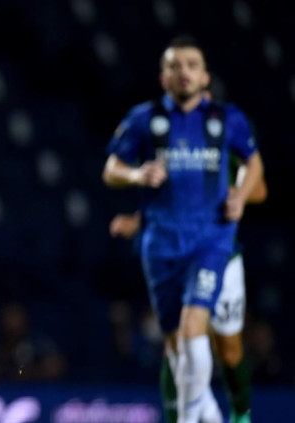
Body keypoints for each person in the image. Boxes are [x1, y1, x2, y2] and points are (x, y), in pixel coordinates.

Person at [102, 36, 263, 423]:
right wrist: (137, 176)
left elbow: (256, 170)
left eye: (192, 65)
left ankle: (236, 415)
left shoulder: (226, 121)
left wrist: (241, 195)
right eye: (175, 65)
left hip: (214, 245)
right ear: (163, 77)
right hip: (162, 246)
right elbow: (112, 169)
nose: (183, 72)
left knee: (207, 338)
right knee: (177, 347)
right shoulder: (145, 120)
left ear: (205, 77)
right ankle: (206, 414)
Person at [110, 163, 267, 423]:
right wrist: (141, 220)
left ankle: (240, 415)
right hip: (181, 257)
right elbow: (172, 197)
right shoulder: (172, 144)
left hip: (222, 255)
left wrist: (234, 194)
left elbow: (259, 189)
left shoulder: (229, 139)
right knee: (178, 344)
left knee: (228, 349)